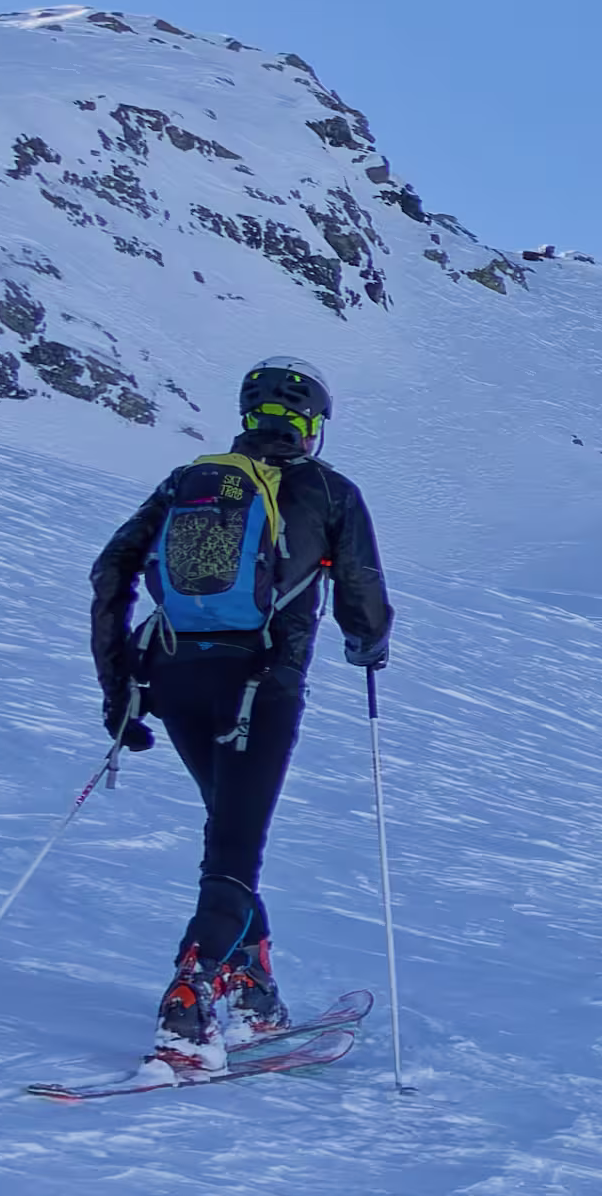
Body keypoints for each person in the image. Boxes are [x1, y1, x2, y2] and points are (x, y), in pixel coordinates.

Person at [89, 358, 394, 1072]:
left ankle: (253, 987)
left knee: (228, 827)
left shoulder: (190, 483)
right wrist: (368, 646)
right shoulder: (330, 491)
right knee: (234, 846)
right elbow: (363, 600)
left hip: (174, 679)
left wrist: (117, 687)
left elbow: (112, 571)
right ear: (312, 425)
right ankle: (190, 995)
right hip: (261, 687)